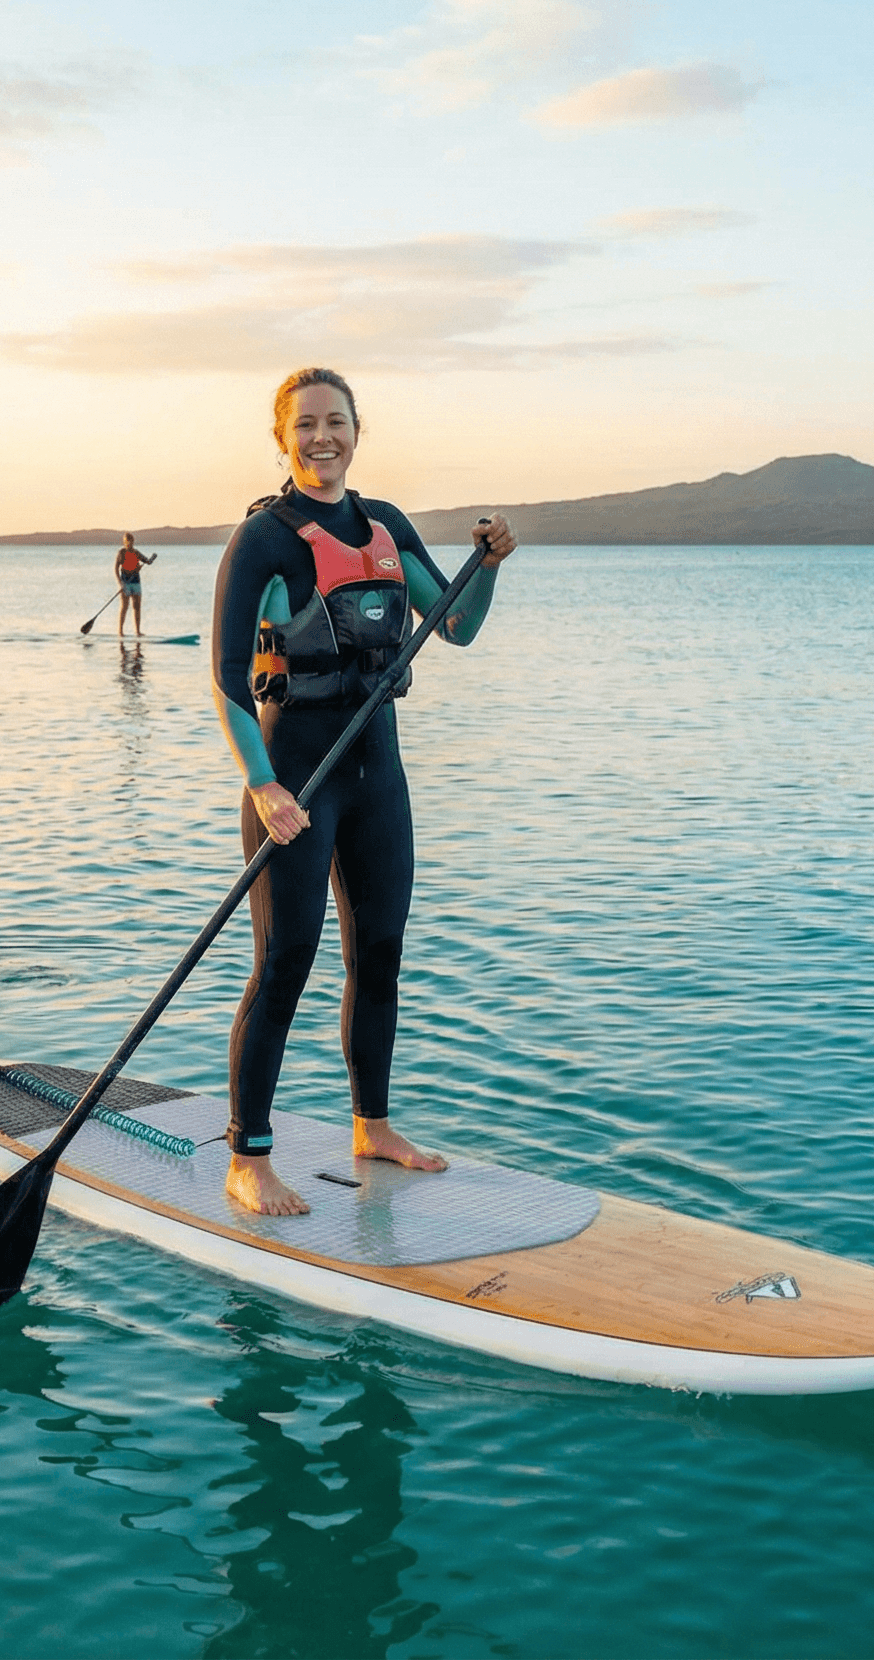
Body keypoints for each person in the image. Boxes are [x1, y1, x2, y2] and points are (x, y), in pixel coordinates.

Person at [210, 366, 517, 1215]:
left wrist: (488, 565)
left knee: (379, 951)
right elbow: (229, 680)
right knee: (285, 965)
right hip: (296, 780)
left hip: (378, 774)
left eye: (335, 422)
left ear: (356, 429)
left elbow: (455, 625)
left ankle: (372, 1125)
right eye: (304, 424)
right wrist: (263, 786)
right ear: (283, 438)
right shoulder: (265, 540)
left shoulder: (385, 526)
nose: (322, 438)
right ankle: (248, 1157)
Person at [115, 533, 157, 637]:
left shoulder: (136, 552)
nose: (129, 543)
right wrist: (120, 583)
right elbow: (116, 568)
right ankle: (120, 631)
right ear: (124, 542)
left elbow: (148, 561)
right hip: (125, 582)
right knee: (124, 606)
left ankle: (137, 632)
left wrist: (152, 558)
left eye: (131, 541)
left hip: (136, 582)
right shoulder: (122, 552)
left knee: (137, 607)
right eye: (127, 541)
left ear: (133, 541)